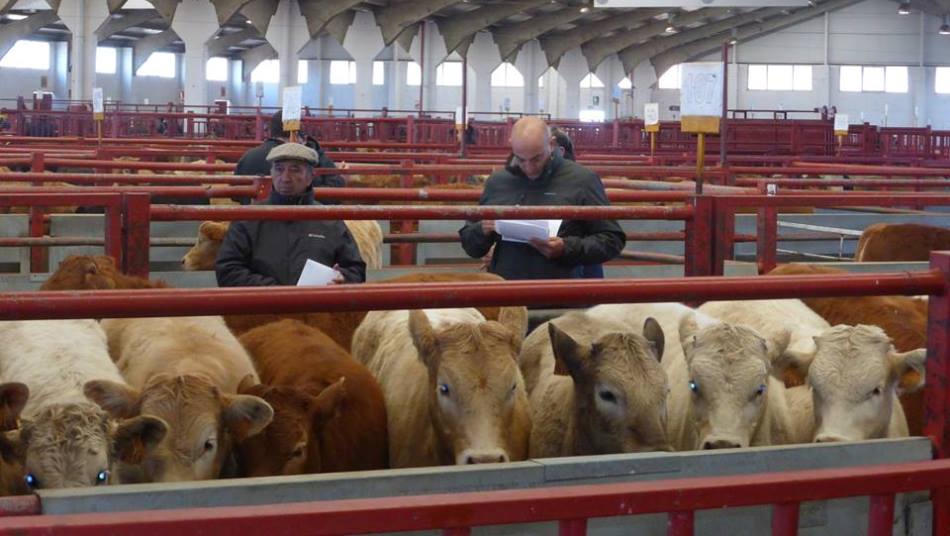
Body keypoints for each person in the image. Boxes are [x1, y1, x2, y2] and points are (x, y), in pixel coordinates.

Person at [459, 117, 625, 280]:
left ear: (551, 144)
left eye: (537, 158)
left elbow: (612, 239)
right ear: (512, 147)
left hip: (560, 294)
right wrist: (483, 229)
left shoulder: (582, 180)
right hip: (508, 294)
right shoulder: (498, 182)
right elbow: (471, 246)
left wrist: (566, 248)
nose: (530, 168)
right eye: (521, 159)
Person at [216, 143, 366, 287]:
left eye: (295, 170)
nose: (285, 178)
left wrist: (342, 279)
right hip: (263, 311)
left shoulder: (330, 222)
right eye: (279, 169)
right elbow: (228, 270)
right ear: (271, 173)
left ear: (309, 177)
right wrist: (275, 293)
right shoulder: (248, 219)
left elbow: (355, 270)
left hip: (316, 309)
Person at [235, 110, 344, 203]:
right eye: (279, 169)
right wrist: (341, 178)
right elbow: (330, 195)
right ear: (297, 134)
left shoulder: (248, 156)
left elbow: (235, 194)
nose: (285, 178)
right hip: (301, 221)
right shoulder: (303, 160)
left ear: (270, 131)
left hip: (252, 217)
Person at [550, 127, 604, 279]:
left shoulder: (584, 180)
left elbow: (603, 234)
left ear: (559, 151)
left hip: (578, 258)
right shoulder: (535, 179)